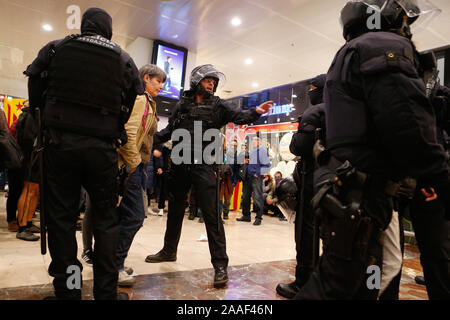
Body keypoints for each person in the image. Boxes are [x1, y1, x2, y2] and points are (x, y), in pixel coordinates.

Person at [294, 0, 449, 300]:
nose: (407, 26)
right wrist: (440, 179)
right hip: (360, 193)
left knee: (373, 275)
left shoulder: (358, 50)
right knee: (336, 287)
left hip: (356, 189)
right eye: (404, 18)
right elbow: (408, 126)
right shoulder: (381, 46)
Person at [24, 7, 143, 300]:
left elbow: (34, 80)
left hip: (60, 145)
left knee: (62, 220)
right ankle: (105, 294)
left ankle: (71, 291)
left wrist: (45, 110)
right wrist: (113, 124)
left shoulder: (57, 48)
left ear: (85, 25)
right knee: (105, 221)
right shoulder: (123, 59)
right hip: (101, 150)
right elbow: (132, 97)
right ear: (109, 30)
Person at [145, 64, 273, 286]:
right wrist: (147, 138)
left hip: (203, 165)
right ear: (196, 81)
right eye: (208, 80)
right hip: (179, 163)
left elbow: (240, 116)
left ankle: (220, 266)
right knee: (175, 210)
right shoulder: (182, 104)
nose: (212, 83)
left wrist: (256, 112)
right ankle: (168, 251)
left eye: (214, 81)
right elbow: (170, 131)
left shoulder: (219, 105)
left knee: (212, 216)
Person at [275, 74, 326, 299]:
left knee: (307, 233)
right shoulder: (345, 111)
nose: (310, 92)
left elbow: (299, 146)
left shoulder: (315, 113)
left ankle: (304, 283)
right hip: (333, 180)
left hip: (311, 179)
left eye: (313, 88)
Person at [237, 136, 271, 226]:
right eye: (252, 140)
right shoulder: (251, 151)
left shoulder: (263, 151)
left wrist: (259, 174)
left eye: (256, 140)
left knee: (257, 198)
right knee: (245, 197)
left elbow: (267, 165)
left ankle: (258, 218)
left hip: (256, 178)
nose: (253, 141)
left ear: (260, 141)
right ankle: (246, 216)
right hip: (248, 177)